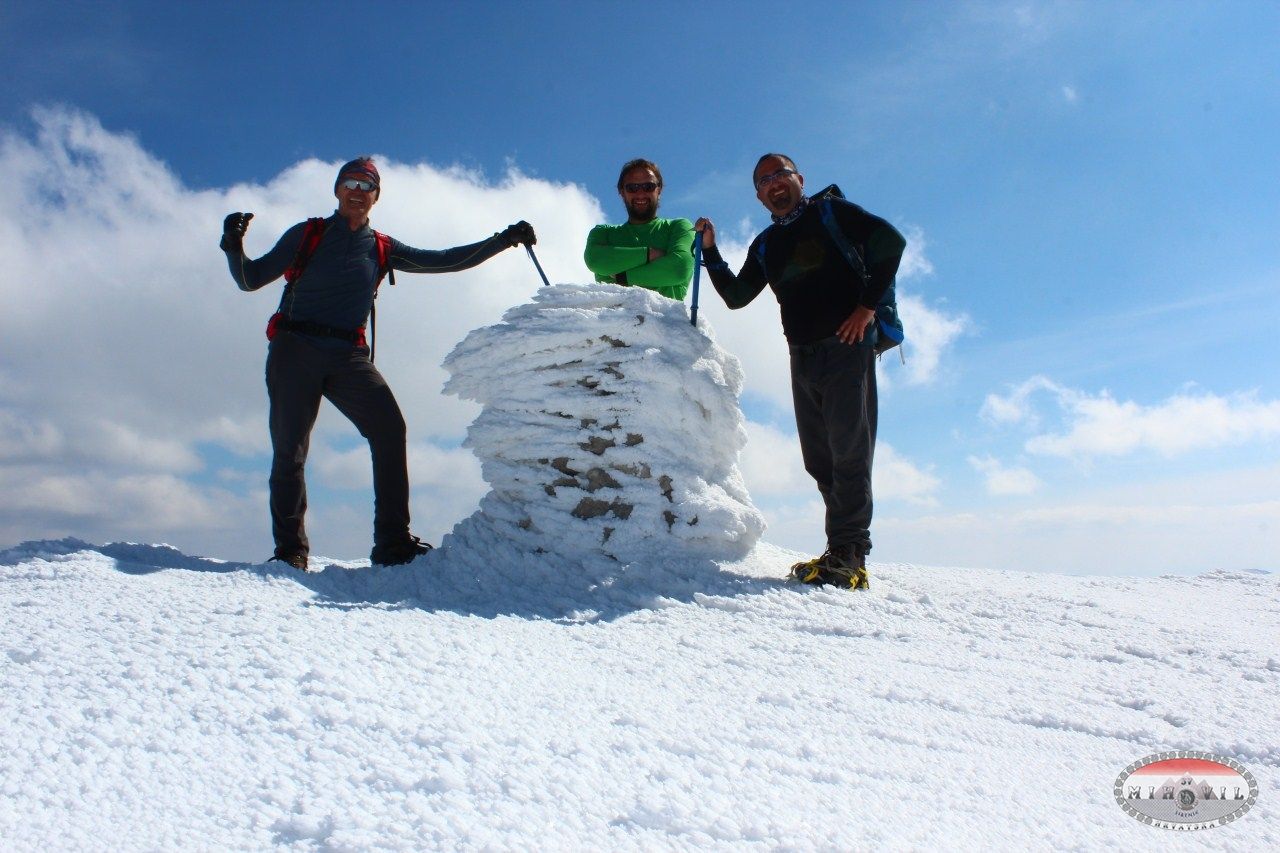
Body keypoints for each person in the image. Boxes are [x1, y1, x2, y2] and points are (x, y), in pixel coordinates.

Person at [220, 157, 536, 570]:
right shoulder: (308, 234)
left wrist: (504, 240)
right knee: (290, 449)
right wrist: (233, 246)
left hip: (348, 355)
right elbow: (250, 279)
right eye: (349, 183)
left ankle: (392, 543)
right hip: (294, 347)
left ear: (375, 197)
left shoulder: (382, 247)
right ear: (337, 191)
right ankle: (291, 552)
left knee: (390, 430)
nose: (357, 190)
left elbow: (446, 260)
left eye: (366, 185)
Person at [694, 153, 906, 589]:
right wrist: (711, 252)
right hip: (801, 355)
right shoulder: (767, 244)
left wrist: (865, 310)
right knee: (820, 458)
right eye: (764, 180)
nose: (774, 183)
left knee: (850, 452)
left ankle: (851, 554)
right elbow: (736, 295)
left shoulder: (832, 212)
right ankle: (840, 549)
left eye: (780, 174)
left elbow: (891, 243)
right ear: (758, 195)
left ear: (799, 179)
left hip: (847, 348)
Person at [584, 159, 695, 300]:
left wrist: (622, 276)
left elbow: (679, 269)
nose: (640, 193)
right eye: (632, 188)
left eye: (648, 186)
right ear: (621, 192)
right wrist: (648, 254)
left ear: (659, 189)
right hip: (614, 321)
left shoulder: (680, 227)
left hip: (664, 321)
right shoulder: (603, 233)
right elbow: (595, 260)